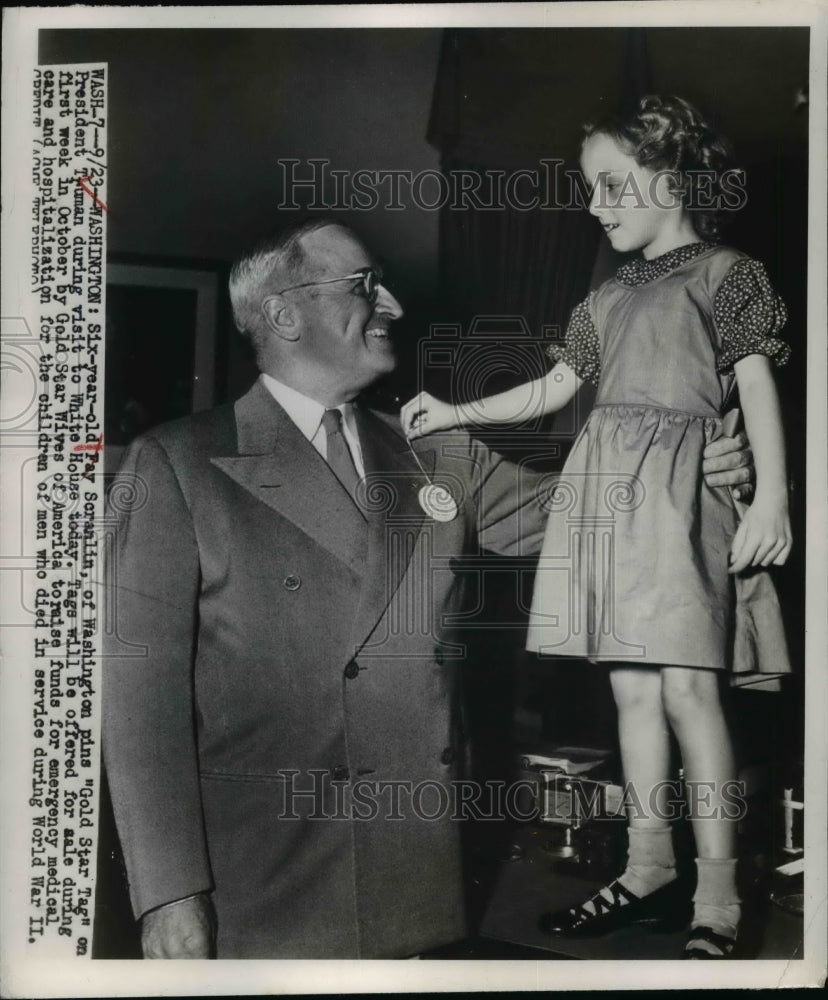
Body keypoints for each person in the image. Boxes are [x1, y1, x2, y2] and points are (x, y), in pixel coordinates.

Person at [103, 216, 754, 960]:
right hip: (256, 883)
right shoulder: (180, 465)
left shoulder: (436, 452)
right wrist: (170, 894)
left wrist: (703, 470)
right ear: (283, 312)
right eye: (364, 286)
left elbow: (599, 513)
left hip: (410, 883)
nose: (395, 308)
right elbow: (138, 704)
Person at [402, 96, 792, 960]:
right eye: (590, 188)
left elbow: (756, 385)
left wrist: (771, 499)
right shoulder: (606, 296)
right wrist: (452, 409)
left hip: (685, 499)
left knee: (692, 691)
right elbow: (550, 391)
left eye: (612, 185)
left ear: (670, 176)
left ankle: (719, 895)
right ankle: (649, 866)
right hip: (609, 500)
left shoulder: (730, 273)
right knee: (632, 693)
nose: (596, 204)